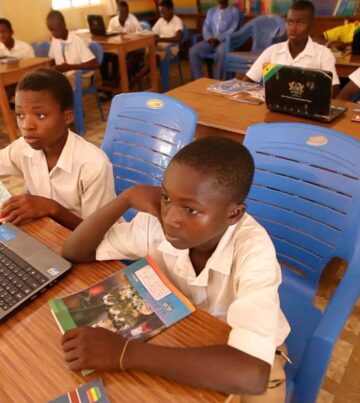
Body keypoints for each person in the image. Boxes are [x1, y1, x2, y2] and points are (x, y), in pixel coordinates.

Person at [61, 137, 290, 402]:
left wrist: (126, 353)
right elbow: (76, 252)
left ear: (234, 215)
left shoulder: (254, 250)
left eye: (191, 210)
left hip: (244, 355)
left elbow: (252, 373)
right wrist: (125, 199)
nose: (170, 219)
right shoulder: (156, 221)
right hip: (183, 332)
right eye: (166, 197)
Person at [0, 68, 115, 230]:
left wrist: (52, 208)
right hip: (47, 231)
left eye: (40, 115)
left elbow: (97, 233)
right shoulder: (23, 148)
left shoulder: (93, 165)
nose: (26, 125)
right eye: (20, 115)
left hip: (89, 245)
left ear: (67, 117)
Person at [245, 1, 340, 96]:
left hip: (307, 107)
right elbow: (247, 82)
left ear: (311, 26)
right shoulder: (272, 51)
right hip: (274, 107)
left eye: (300, 23)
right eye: (289, 22)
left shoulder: (323, 54)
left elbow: (333, 89)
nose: (293, 28)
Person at [189, 0, 241, 80]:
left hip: (225, 41)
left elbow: (233, 29)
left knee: (221, 53)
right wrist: (209, 38)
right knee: (193, 51)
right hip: (210, 40)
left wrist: (218, 39)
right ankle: (198, 80)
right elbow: (206, 27)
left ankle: (217, 82)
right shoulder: (211, 11)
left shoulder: (234, 11)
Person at [46, 10, 98, 86]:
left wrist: (70, 67)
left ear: (63, 24)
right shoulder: (55, 40)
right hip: (63, 76)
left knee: (56, 88)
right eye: (51, 30)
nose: (53, 33)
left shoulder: (77, 41)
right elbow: (52, 59)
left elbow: (94, 64)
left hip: (81, 77)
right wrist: (52, 68)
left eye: (55, 29)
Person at [101, 1, 145, 88]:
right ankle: (106, 82)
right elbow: (109, 35)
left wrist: (128, 37)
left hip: (132, 49)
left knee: (124, 58)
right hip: (117, 48)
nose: (123, 15)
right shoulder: (113, 21)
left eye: (125, 12)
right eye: (120, 12)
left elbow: (140, 35)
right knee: (103, 57)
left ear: (128, 12)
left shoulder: (133, 20)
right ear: (117, 12)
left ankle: (116, 80)